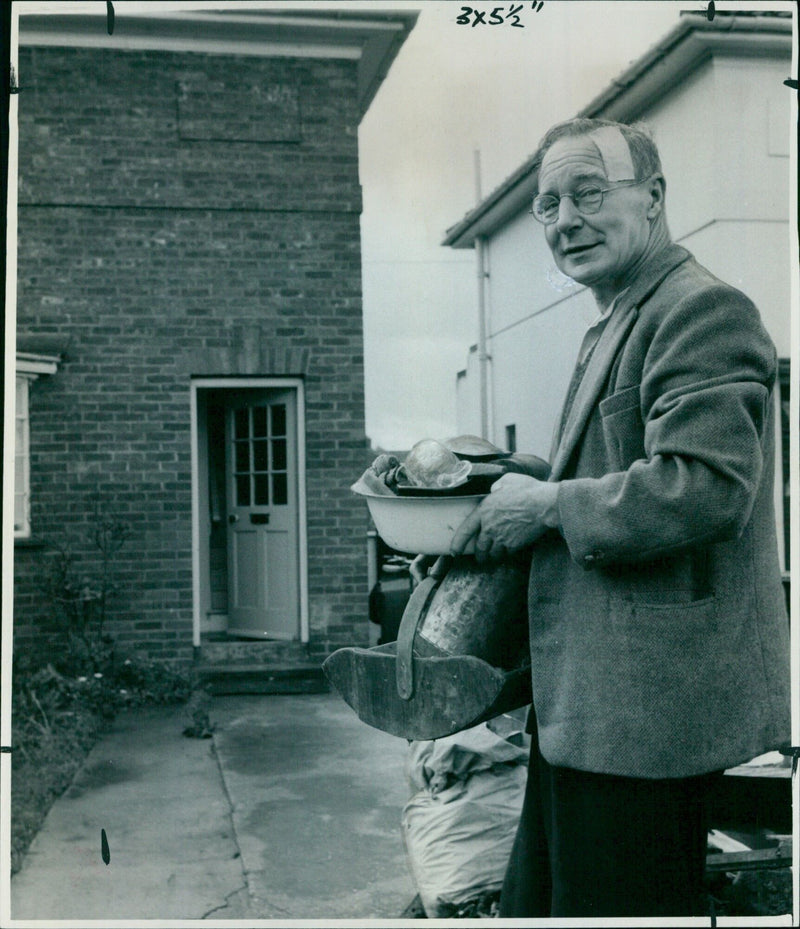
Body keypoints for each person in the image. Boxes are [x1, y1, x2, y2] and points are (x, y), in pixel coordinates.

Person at [450, 116, 792, 918]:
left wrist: (547, 504)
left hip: (643, 720)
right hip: (593, 710)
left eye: (588, 192)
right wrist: (521, 478)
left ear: (654, 198)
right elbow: (621, 469)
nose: (564, 218)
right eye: (547, 204)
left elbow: (704, 486)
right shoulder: (621, 315)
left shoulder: (702, 310)